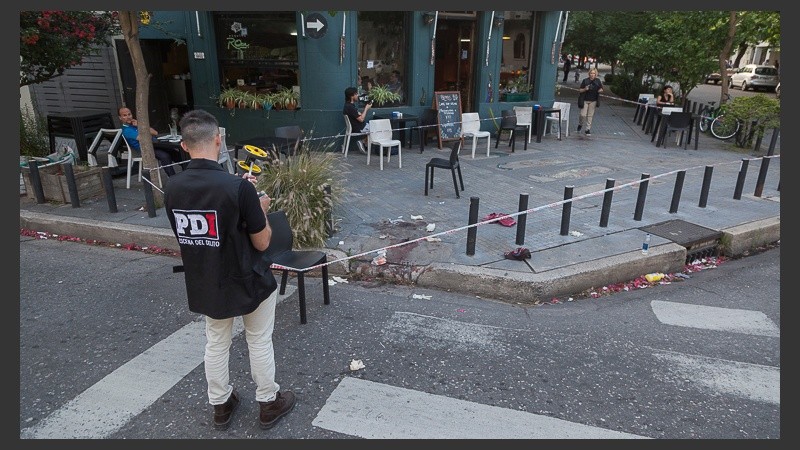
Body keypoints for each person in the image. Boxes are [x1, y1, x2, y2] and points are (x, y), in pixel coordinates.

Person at [164, 109, 296, 431]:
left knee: (216, 342)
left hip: (206, 278)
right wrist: (259, 208)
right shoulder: (239, 189)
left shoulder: (172, 187)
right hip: (248, 278)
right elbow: (263, 242)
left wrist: (243, 195)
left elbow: (198, 231)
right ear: (219, 140)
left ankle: (220, 405)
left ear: (183, 145)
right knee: (259, 340)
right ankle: (268, 402)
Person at [118, 107, 181, 177]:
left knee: (174, 151)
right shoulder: (126, 130)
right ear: (120, 118)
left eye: (129, 114)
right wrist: (144, 130)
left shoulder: (135, 124)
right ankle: (172, 178)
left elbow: (155, 133)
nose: (128, 117)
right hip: (145, 149)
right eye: (124, 115)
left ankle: (187, 170)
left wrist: (140, 125)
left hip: (155, 145)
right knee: (165, 156)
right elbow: (144, 139)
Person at [343, 86, 372, 154]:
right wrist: (366, 108)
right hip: (359, 128)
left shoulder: (348, 105)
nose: (357, 95)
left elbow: (358, 115)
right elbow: (361, 119)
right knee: (376, 129)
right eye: (356, 94)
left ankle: (364, 142)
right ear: (352, 96)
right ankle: (363, 141)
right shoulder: (350, 107)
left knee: (374, 126)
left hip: (358, 126)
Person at [576, 68, 604, 136]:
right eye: (591, 73)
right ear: (589, 74)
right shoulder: (585, 81)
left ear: (596, 74)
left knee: (590, 116)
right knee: (583, 115)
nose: (592, 75)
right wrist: (585, 89)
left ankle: (587, 129)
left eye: (594, 73)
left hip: (593, 100)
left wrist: (600, 90)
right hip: (585, 100)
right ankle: (580, 124)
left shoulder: (598, 81)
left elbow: (601, 89)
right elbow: (580, 90)